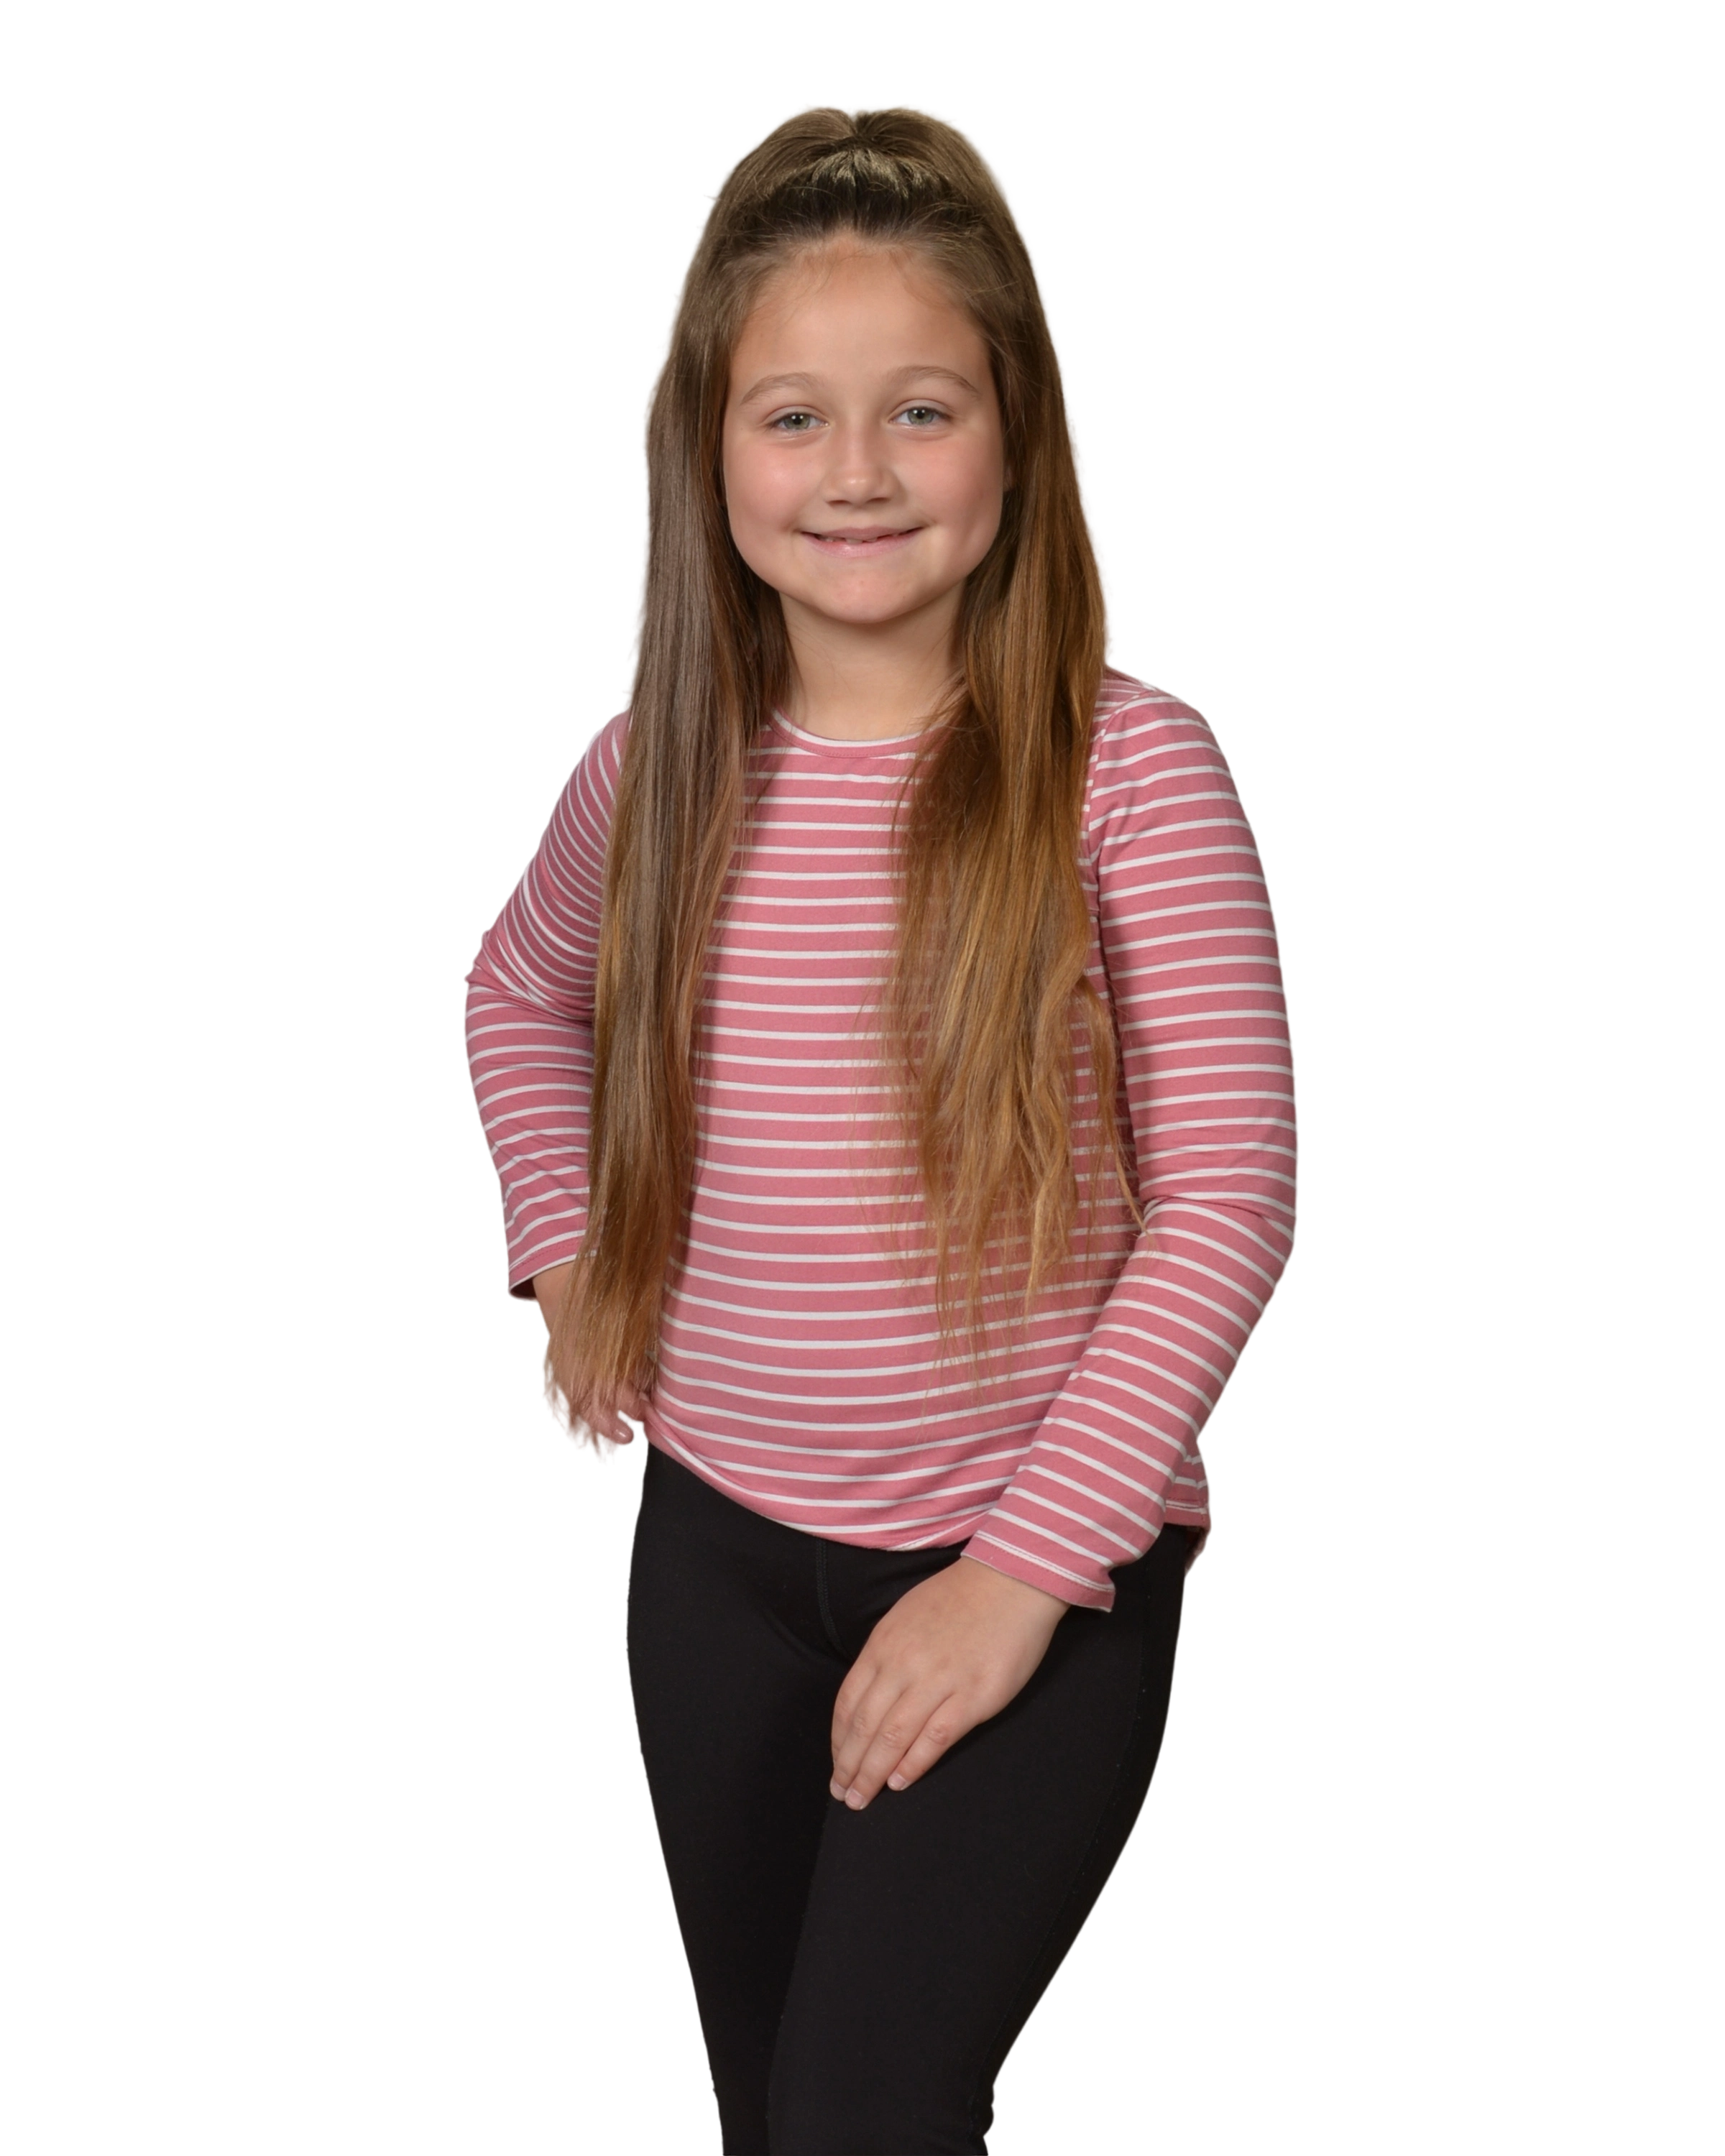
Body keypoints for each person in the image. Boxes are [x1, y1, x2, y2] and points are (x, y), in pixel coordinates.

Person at [461, 98, 1297, 2156]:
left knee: (863, 2116)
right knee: (772, 2120)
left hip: (1040, 1571)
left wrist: (1016, 1579)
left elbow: (1229, 1202)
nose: (856, 472)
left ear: (1018, 438)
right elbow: (513, 995)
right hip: (717, 1568)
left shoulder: (1129, 773)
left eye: (921, 409)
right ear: (707, 448)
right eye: (794, 418)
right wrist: (568, 1262)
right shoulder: (649, 772)